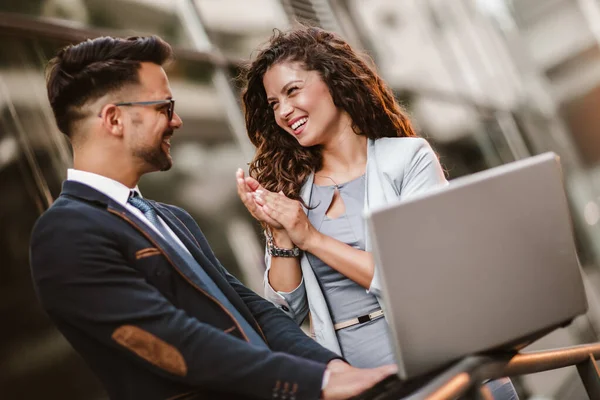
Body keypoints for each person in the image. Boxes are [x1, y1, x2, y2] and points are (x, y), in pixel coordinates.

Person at [29, 35, 397, 400]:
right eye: (164, 107)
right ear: (114, 119)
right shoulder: (64, 233)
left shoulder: (172, 219)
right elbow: (173, 340)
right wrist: (316, 383)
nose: (177, 121)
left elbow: (253, 311)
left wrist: (331, 368)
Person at [236, 26, 518, 399]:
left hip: (446, 361)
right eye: (274, 104)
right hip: (364, 383)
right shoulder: (292, 190)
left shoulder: (408, 159)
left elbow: (419, 279)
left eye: (292, 91)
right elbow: (286, 314)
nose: (284, 111)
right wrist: (281, 234)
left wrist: (312, 238)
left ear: (333, 81)